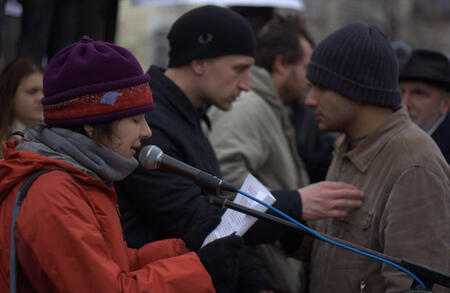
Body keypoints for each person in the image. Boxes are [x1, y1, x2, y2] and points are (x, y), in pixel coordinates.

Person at [115, 5, 364, 292]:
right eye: (239, 69)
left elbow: (223, 238)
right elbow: (198, 222)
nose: (247, 85)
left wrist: (259, 286)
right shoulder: (151, 126)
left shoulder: (187, 115)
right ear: (199, 63)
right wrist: (294, 204)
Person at [0, 38, 248, 292]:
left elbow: (112, 263)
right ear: (91, 124)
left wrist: (184, 248)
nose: (147, 131)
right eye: (135, 119)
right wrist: (200, 270)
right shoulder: (53, 192)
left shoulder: (79, 176)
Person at [304, 23, 450, 292]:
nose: (310, 100)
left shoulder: (415, 165)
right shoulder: (351, 145)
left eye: (321, 87)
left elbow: (415, 284)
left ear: (359, 90)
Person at [207, 16, 312, 293]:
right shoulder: (249, 107)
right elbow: (222, 179)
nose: (310, 79)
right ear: (281, 64)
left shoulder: (267, 106)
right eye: (305, 67)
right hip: (259, 270)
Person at [398, 49, 450, 290]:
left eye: (418, 93)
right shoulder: (394, 143)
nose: (405, 103)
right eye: (401, 92)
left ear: (445, 104)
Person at [0, 57, 43, 158]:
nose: (41, 98)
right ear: (10, 95)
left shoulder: (53, 137)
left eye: (45, 92)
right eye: (32, 91)